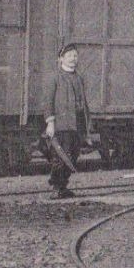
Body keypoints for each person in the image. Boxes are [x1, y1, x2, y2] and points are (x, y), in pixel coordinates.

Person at [43, 44, 90, 199]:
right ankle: (56, 187)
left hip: (76, 124)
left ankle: (63, 187)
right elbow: (48, 101)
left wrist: (86, 125)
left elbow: (83, 103)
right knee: (61, 157)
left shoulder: (79, 78)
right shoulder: (55, 77)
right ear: (61, 58)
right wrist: (50, 122)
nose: (73, 59)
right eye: (69, 56)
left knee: (72, 156)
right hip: (61, 125)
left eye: (75, 56)